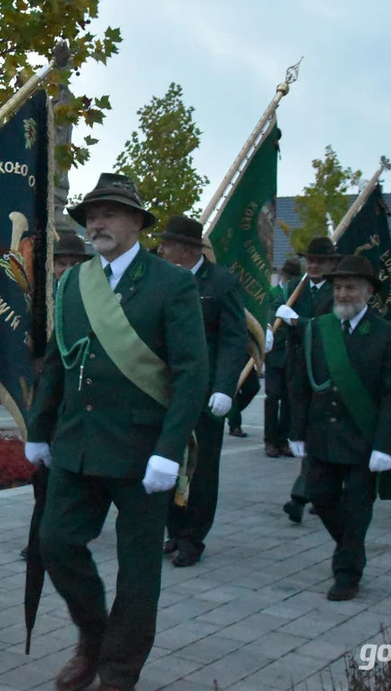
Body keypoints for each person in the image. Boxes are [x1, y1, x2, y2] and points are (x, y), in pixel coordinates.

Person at [25, 173, 208, 691]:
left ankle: (119, 671)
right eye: (90, 215)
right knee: (56, 543)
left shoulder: (171, 283)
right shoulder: (72, 283)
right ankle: (93, 637)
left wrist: (170, 451)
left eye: (108, 213)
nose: (97, 223)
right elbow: (60, 363)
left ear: (136, 223)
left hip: (143, 452)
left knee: (138, 570)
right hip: (79, 444)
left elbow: (191, 372)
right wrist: (40, 428)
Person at [288, 256, 391, 600]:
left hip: (363, 442)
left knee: (357, 510)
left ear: (368, 292)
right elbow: (300, 384)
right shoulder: (318, 329)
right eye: (338, 287)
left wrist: (385, 445)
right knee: (322, 498)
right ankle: (354, 549)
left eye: (350, 287)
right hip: (322, 437)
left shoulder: (388, 336)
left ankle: (347, 573)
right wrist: (296, 431)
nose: (342, 293)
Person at [157, 215, 248, 568]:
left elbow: (233, 339)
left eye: (168, 243)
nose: (161, 249)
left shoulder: (221, 282)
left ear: (187, 249)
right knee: (166, 459)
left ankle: (194, 537)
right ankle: (174, 529)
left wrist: (225, 387)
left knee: (201, 467)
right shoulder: (164, 280)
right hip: (167, 389)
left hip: (206, 393)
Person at [21, 233, 92, 561]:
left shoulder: (90, 298)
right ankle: (39, 542)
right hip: (42, 392)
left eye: (72, 263)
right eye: (59, 263)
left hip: (77, 397)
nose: (65, 269)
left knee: (61, 477)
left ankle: (56, 537)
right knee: (42, 474)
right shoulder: (38, 299)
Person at [276, 237, 341, 524]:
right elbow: (276, 310)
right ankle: (318, 492)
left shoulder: (338, 291)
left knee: (322, 432)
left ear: (332, 264)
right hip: (297, 368)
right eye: (309, 260)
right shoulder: (294, 288)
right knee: (302, 429)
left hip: (327, 371)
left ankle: (300, 496)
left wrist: (297, 322)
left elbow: (331, 326)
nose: (312, 266)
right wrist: (269, 328)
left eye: (319, 261)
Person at [264, 258, 303, 457]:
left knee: (289, 398)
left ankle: (283, 439)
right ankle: (270, 440)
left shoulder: (297, 293)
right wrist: (268, 329)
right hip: (275, 351)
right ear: (282, 275)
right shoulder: (273, 293)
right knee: (272, 396)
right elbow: (268, 314)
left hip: (292, 353)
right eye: (288, 276)